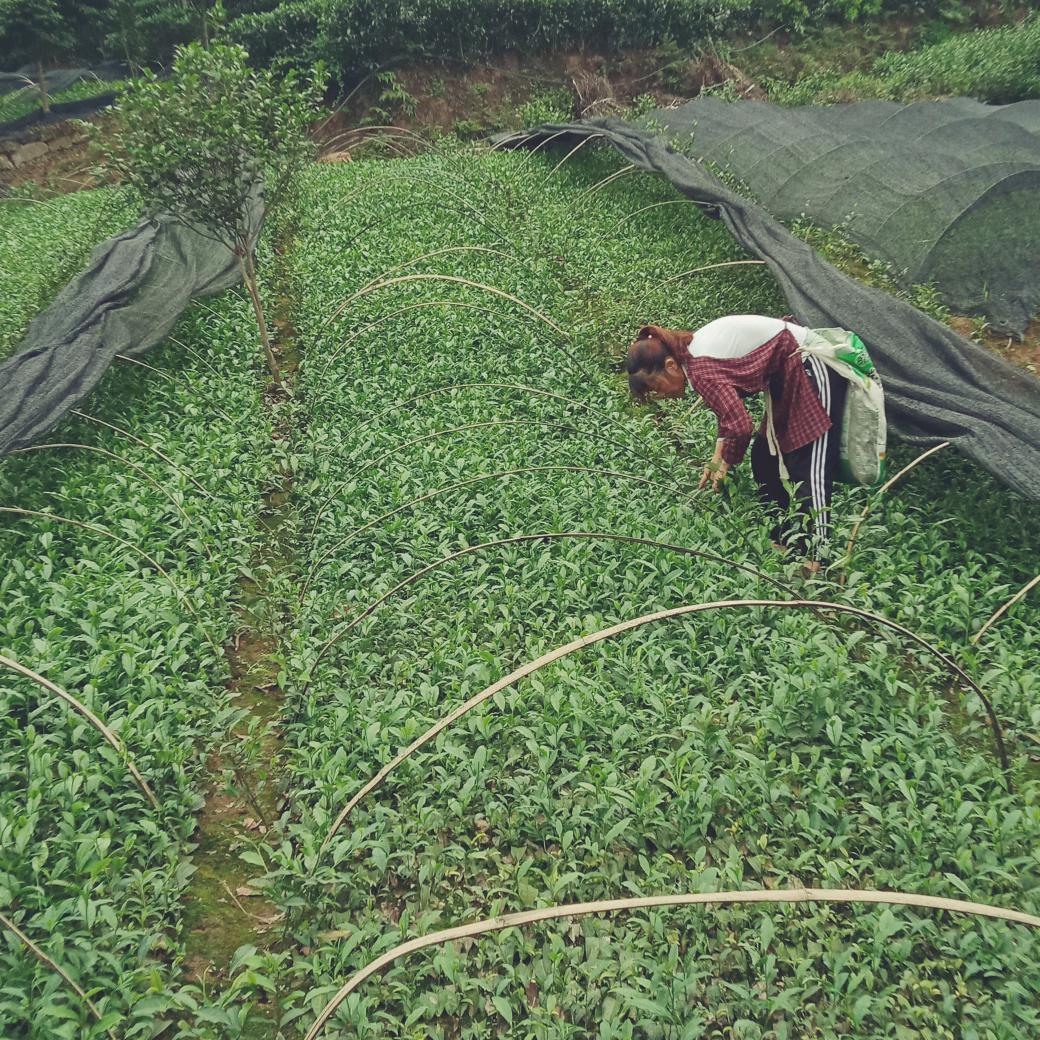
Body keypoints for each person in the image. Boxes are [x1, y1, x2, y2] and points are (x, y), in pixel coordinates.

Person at [625, 314, 847, 571]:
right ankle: (784, 541)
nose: (662, 395)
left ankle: (819, 560)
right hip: (783, 374)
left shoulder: (699, 370)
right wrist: (715, 461)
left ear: (671, 365)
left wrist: (726, 465)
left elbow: (741, 426)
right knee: (764, 459)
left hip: (810, 362)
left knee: (808, 466)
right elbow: (728, 417)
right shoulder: (692, 359)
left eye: (657, 387)